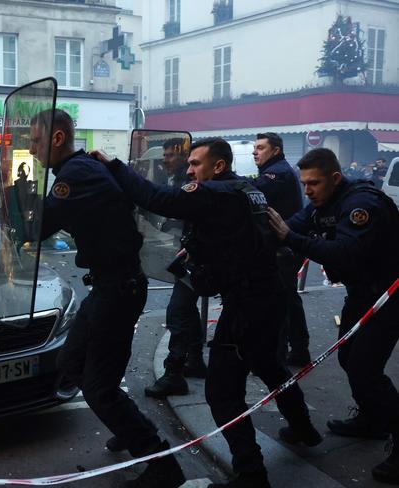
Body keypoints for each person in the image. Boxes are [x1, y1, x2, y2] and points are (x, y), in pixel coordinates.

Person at [99, 137, 321, 488]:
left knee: (222, 393)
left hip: (246, 304)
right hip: (267, 296)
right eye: (188, 164)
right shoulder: (246, 190)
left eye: (196, 164)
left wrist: (114, 165)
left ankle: (251, 474)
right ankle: (304, 428)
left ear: (218, 166)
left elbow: (157, 199)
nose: (189, 170)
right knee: (269, 365)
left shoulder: (213, 193)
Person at [29, 109, 185, 488]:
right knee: (73, 362)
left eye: (35, 141)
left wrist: (12, 201)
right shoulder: (81, 170)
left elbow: (42, 223)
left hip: (117, 289)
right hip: (112, 286)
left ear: (58, 138)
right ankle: (127, 423)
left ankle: (161, 465)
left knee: (97, 387)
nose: (31, 149)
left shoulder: (76, 174)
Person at [268, 148, 399, 485]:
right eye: (304, 184)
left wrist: (290, 237)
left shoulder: (361, 205)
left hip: (390, 294)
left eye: (314, 183)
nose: (308, 190)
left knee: (365, 368)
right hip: (362, 291)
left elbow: (346, 251)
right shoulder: (320, 205)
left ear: (335, 179)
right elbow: (287, 226)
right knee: (349, 357)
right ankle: (372, 419)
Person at [145, 137, 206, 400]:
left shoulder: (193, 184)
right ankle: (194, 360)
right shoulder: (182, 179)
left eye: (171, 155)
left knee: (178, 312)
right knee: (185, 310)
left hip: (201, 259)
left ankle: (174, 374)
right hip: (195, 256)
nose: (165, 160)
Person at [249, 132, 310, 367]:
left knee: (280, 300)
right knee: (287, 297)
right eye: (254, 147)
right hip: (286, 245)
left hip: (283, 247)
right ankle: (298, 349)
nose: (255, 151)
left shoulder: (278, 173)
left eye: (261, 147)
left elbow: (251, 191)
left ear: (275, 150)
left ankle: (279, 354)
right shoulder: (276, 170)